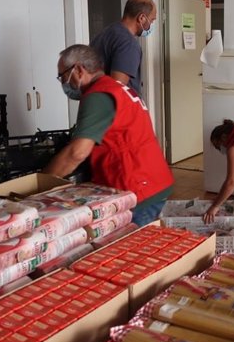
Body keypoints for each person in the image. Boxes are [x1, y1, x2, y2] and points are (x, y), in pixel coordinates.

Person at [43, 44, 173, 226]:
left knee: (131, 248)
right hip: (152, 178)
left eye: (63, 76)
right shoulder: (115, 87)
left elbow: (77, 153)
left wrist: (42, 183)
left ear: (79, 70)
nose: (64, 83)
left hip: (136, 185)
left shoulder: (98, 96)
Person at [90, 0, 156, 96]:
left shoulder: (107, 32)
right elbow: (116, 91)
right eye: (152, 20)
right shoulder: (128, 44)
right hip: (115, 109)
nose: (152, 24)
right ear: (142, 18)